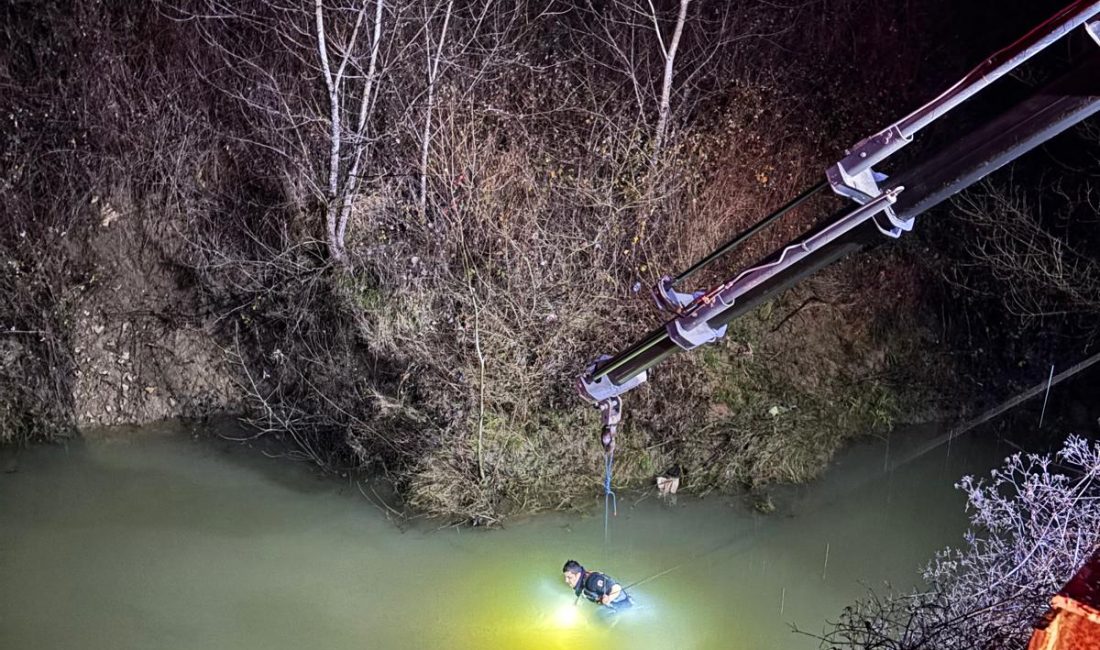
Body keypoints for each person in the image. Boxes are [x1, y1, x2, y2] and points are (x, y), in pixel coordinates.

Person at [562, 560, 634, 610]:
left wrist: (609, 598)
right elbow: (582, 595)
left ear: (578, 575)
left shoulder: (592, 581)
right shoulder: (581, 584)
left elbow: (617, 588)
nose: (566, 580)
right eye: (565, 577)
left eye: (569, 577)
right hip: (612, 607)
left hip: (623, 604)